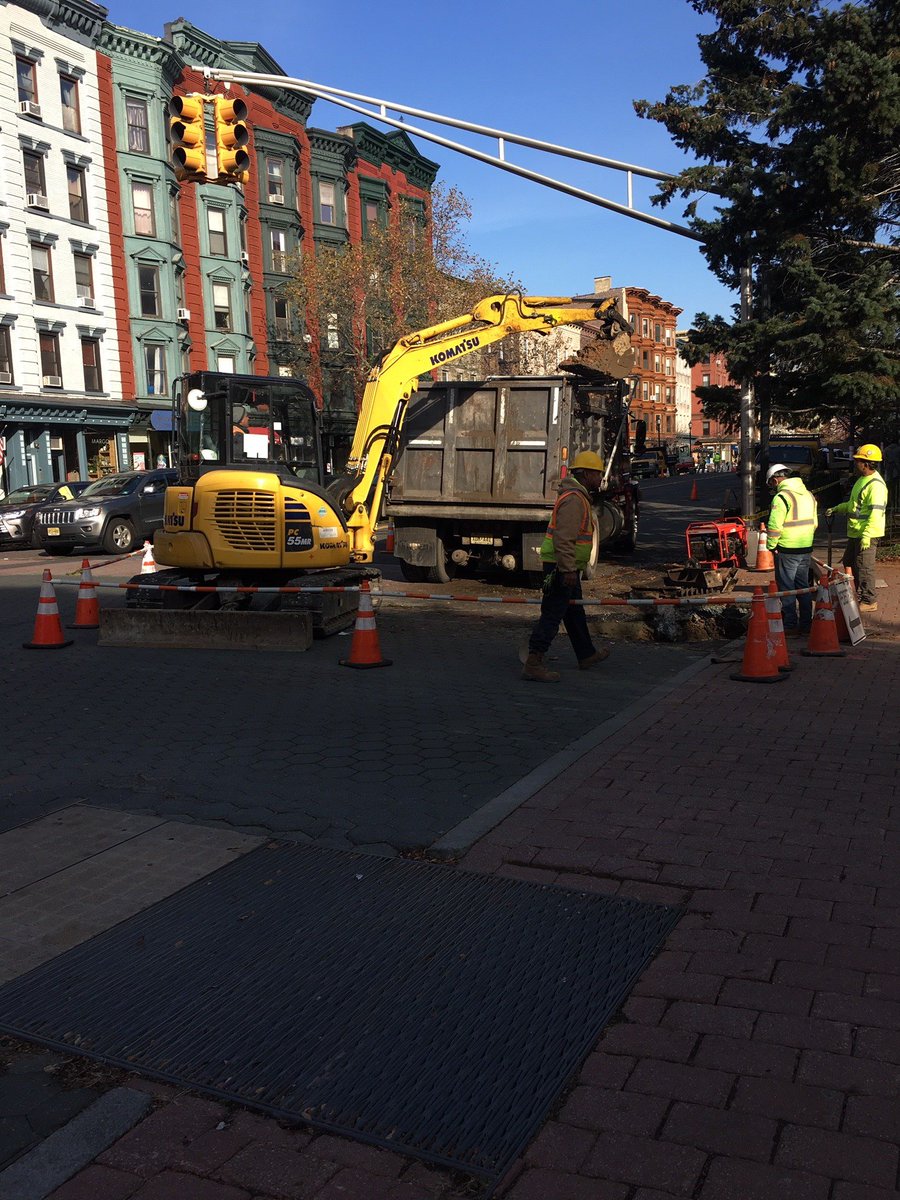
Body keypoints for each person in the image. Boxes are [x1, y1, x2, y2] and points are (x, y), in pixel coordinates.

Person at [522, 450, 610, 682]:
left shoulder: (578, 497)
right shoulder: (574, 500)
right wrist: (568, 569)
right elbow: (564, 538)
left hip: (566, 566)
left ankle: (586, 654)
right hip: (560, 568)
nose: (600, 478)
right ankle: (533, 662)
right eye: (598, 473)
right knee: (553, 614)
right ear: (587, 474)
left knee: (574, 612)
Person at [826, 444, 888, 612]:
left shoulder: (876, 486)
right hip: (857, 532)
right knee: (851, 562)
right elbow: (854, 505)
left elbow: (876, 513)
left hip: (866, 533)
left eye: (858, 460)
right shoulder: (862, 481)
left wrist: (867, 535)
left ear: (866, 463)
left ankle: (869, 600)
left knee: (864, 567)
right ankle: (860, 595)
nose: (855, 463)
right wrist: (838, 508)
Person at [765, 462, 818, 636]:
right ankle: (806, 624)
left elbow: (774, 526)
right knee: (803, 587)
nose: (772, 488)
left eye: (771, 484)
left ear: (775, 480)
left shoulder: (781, 498)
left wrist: (771, 546)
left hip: (787, 548)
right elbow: (814, 523)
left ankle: (790, 624)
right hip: (805, 547)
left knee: (787, 588)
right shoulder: (808, 494)